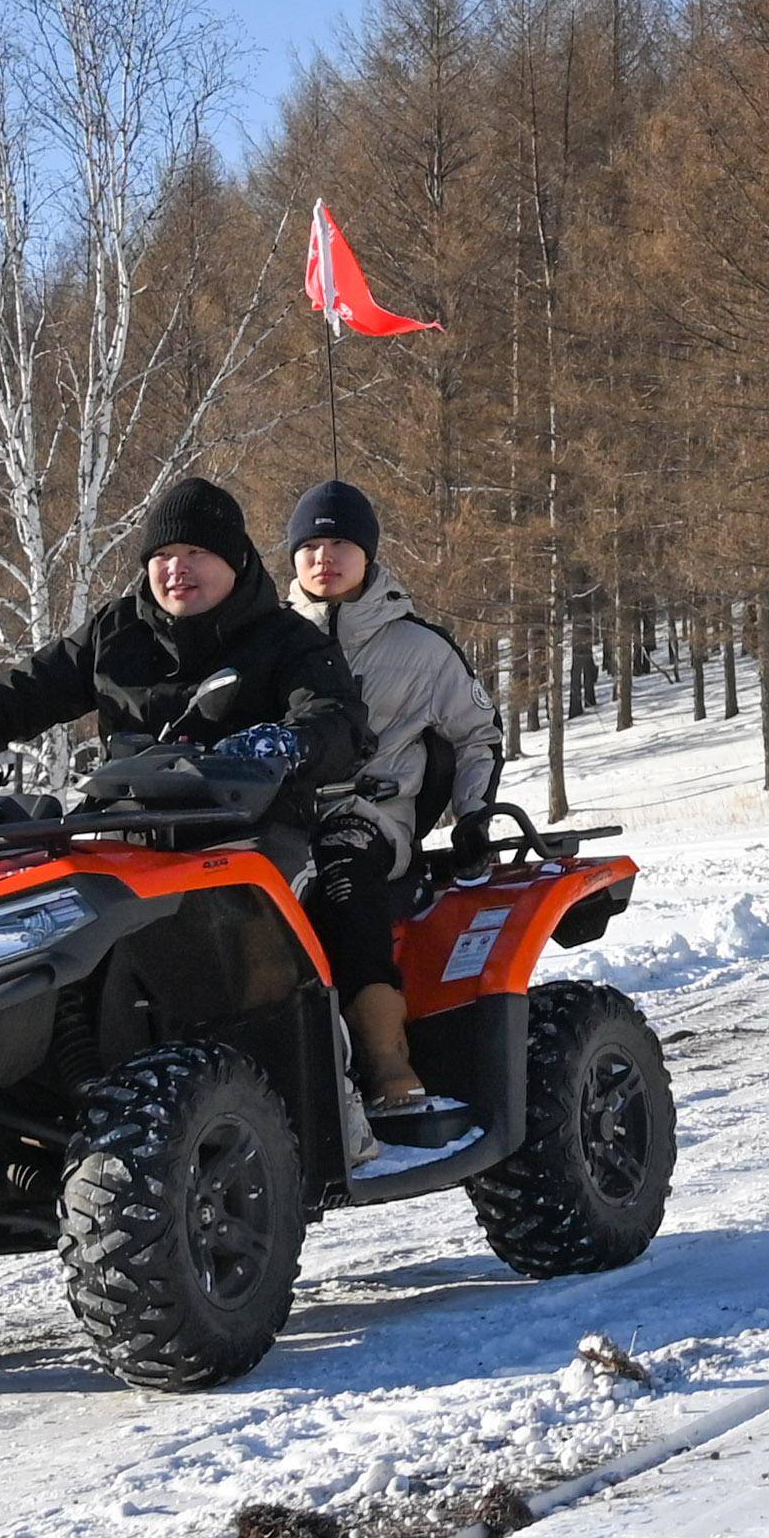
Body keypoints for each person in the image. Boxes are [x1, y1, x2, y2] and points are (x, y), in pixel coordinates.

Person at [0, 475, 409, 1156]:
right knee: (23, 917)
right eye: (163, 554)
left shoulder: (283, 638)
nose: (176, 568)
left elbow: (337, 718)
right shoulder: (117, 630)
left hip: (248, 833)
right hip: (122, 836)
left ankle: (339, 1097)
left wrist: (283, 742)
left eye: (196, 553)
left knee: (269, 941)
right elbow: (27, 690)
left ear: (234, 560)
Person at [279, 478, 502, 1150]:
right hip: (277, 815)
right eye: (310, 544)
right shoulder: (266, 641)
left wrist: (473, 817)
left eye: (340, 542)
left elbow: (476, 734)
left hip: (371, 816)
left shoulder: (419, 647)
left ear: (369, 554)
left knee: (341, 877)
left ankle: (385, 1064)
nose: (324, 557)